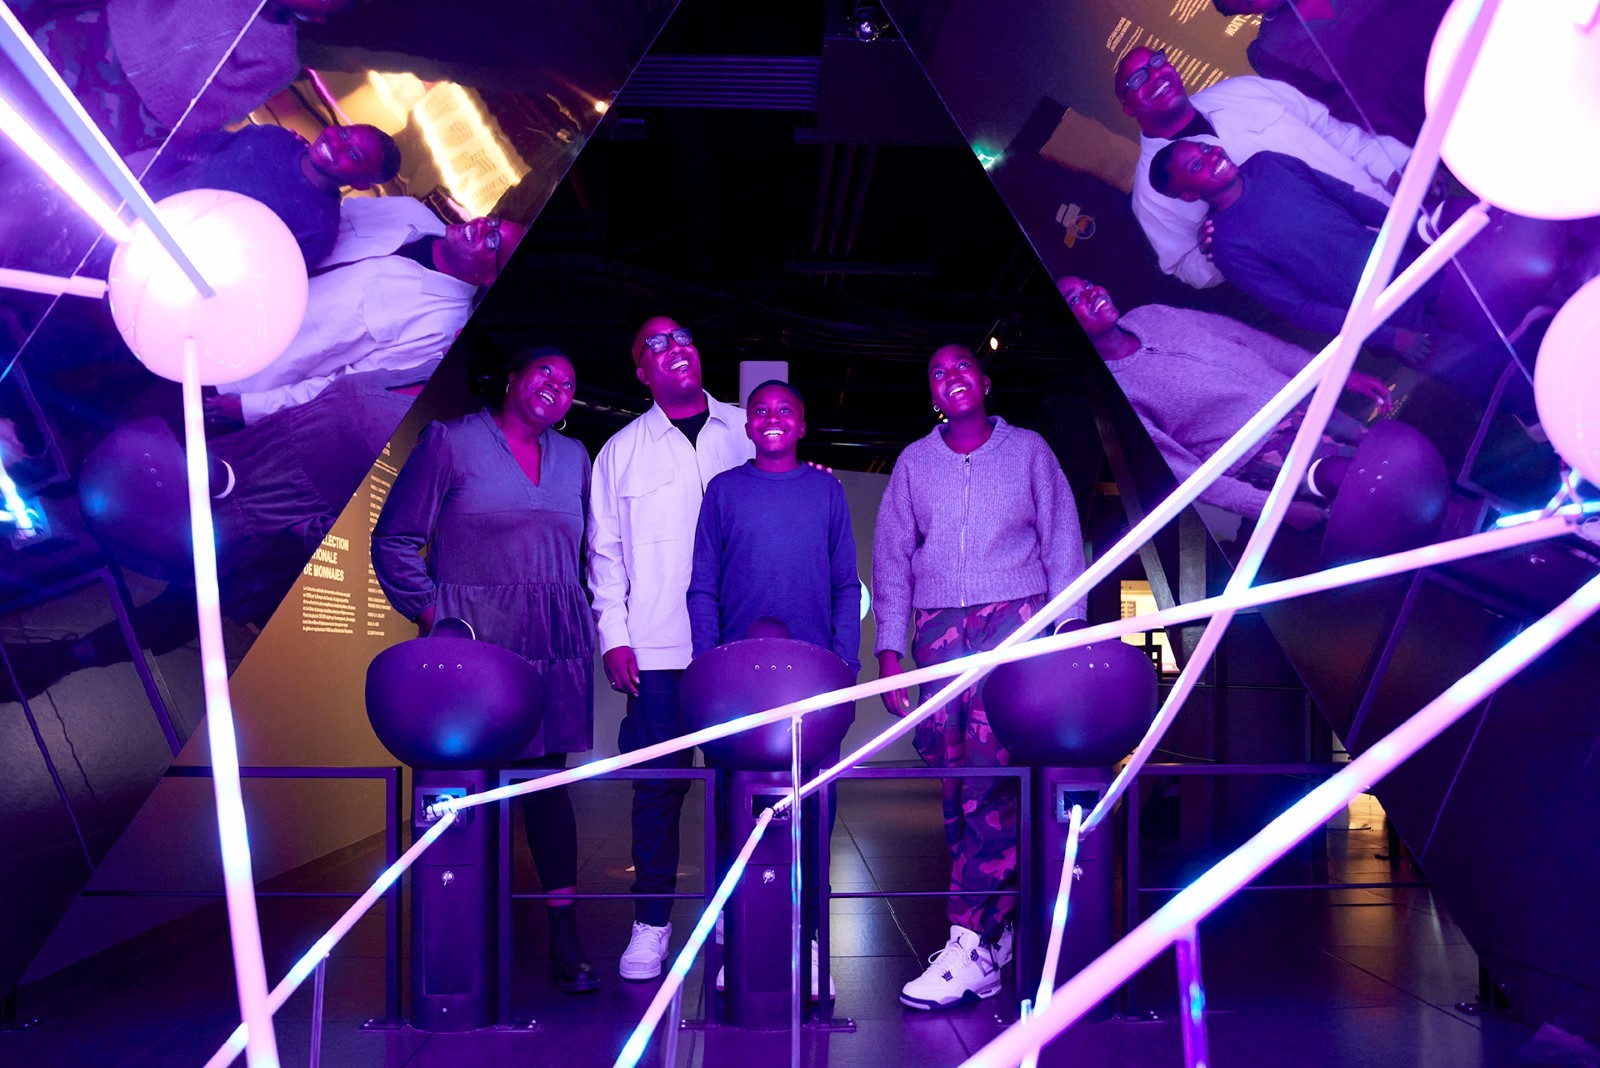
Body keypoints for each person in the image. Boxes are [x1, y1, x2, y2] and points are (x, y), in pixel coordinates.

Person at [372, 346, 600, 995]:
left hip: (553, 642)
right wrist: (436, 615)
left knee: (548, 789)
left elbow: (586, 552)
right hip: (476, 646)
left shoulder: (575, 457)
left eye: (569, 382)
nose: (556, 386)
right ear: (513, 376)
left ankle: (563, 936)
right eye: (545, 371)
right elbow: (393, 540)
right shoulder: (450, 442)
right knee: (473, 790)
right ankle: (464, 936)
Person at [872, 344, 1087, 1011]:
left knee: (992, 777)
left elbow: (1062, 538)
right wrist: (889, 649)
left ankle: (970, 939)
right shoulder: (914, 463)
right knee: (955, 778)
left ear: (986, 381)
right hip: (938, 632)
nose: (951, 377)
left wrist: (1068, 626)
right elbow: (891, 557)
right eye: (937, 373)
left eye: (962, 366)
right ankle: (995, 929)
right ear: (933, 394)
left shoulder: (1029, 452)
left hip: (1015, 621)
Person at [586, 316, 754, 981]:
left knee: (738, 790)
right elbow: (605, 554)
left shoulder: (747, 429)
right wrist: (615, 636)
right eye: (654, 345)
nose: (673, 348)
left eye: (681, 336)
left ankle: (734, 921)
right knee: (657, 792)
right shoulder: (619, 451)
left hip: (738, 648)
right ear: (641, 372)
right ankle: (651, 923)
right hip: (657, 650)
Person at [687, 379, 859, 998]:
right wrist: (708, 665)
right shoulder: (724, 491)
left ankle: (809, 939)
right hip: (736, 685)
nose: (772, 417)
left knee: (814, 812)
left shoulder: (826, 491)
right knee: (733, 808)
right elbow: (703, 585)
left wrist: (844, 665)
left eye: (785, 409)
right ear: (748, 426)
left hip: (812, 683)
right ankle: (739, 932)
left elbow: (845, 585)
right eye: (760, 410)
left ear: (803, 424)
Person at [1057, 276, 1391, 528]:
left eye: (1087, 284)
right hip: (1265, 452)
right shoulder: (1119, 395)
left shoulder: (1150, 315)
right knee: (1371, 488)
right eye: (1074, 299)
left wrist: (1338, 371)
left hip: (1301, 402)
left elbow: (1248, 339)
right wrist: (1273, 509)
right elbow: (1189, 478)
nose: (1091, 293)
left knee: (1387, 452)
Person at [204, 197, 527, 428]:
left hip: (235, 372)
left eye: (493, 240)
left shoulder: (439, 329)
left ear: (490, 278)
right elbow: (319, 219)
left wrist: (252, 408)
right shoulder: (410, 211)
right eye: (494, 221)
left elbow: (343, 386)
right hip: (212, 295)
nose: (483, 225)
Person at [1115, 44, 1409, 289]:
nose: (1156, 75)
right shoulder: (1150, 195)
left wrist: (1394, 167)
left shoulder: (1242, 91)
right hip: (1343, 281)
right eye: (1138, 79)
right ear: (1127, 108)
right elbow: (1184, 265)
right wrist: (1211, 252)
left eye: (1157, 61)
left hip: (1395, 207)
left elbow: (1333, 131)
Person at [16, 0, 355, 159]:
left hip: (134, 108)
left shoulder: (278, 58)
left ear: (318, 16)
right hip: (102, 36)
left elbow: (217, 108)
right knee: (16, 86)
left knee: (44, 141)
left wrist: (158, 117)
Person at [149, 122, 402, 266]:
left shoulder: (318, 230)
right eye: (345, 133)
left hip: (165, 262)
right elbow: (191, 150)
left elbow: (257, 281)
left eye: (354, 155)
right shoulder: (272, 136)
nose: (337, 143)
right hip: (142, 203)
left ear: (359, 184)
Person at [1213, 0, 1451, 144]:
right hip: (1404, 107)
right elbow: (1331, 107)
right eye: (1248, 1)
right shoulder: (1270, 49)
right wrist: (1393, 137)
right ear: (1246, 14)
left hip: (1448, 41)